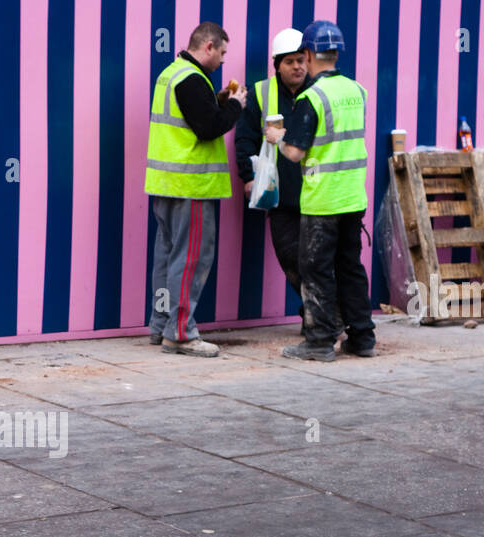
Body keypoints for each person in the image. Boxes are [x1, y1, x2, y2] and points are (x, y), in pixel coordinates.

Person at [265, 20, 375, 361]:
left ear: (310, 54)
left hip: (322, 199)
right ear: (337, 52)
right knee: (350, 267)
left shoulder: (312, 97)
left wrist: (277, 137)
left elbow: (295, 152)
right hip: (353, 196)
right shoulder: (358, 91)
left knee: (315, 270)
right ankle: (362, 338)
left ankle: (319, 341)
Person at [144, 21, 248, 357]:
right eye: (222, 53)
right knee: (190, 260)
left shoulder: (171, 73)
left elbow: (190, 116)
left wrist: (215, 100)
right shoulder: (192, 79)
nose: (222, 61)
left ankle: (161, 325)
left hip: (166, 183)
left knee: (167, 257)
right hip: (191, 185)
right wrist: (234, 107)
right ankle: (181, 333)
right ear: (208, 47)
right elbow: (207, 128)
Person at [235, 28, 308, 333]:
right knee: (291, 259)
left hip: (316, 193)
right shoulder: (261, 93)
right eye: (290, 61)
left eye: (302, 60)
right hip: (277, 194)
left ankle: (319, 317)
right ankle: (320, 312)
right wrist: (248, 176)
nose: (298, 67)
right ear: (277, 64)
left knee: (319, 260)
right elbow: (244, 138)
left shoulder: (317, 92)